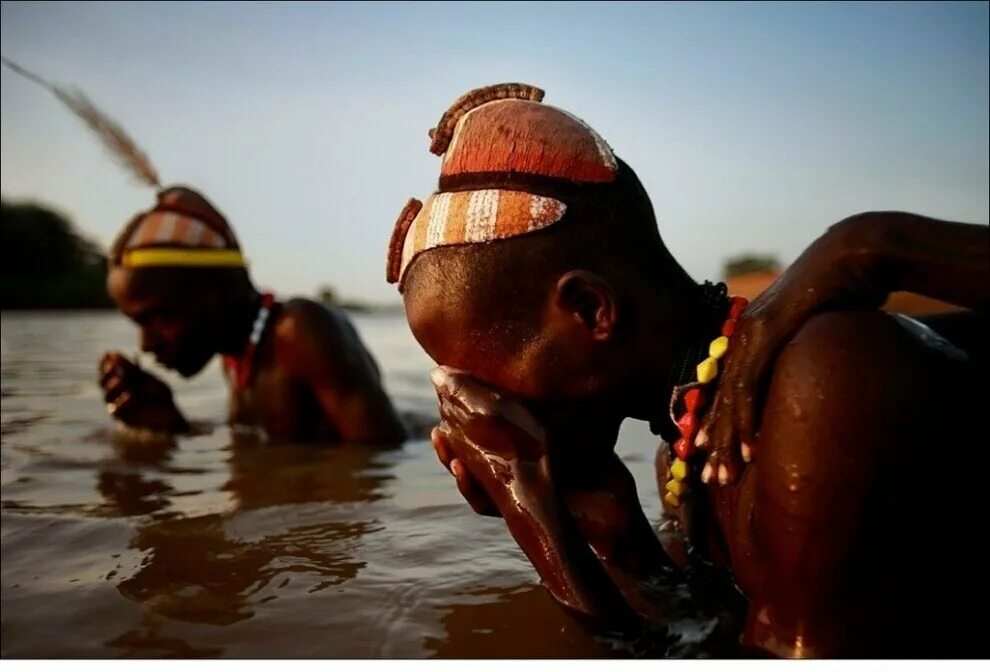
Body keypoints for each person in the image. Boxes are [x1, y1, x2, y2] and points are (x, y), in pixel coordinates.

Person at [388, 83, 989, 656]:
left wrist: (537, 524)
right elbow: (705, 638)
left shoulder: (818, 384)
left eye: (478, 379)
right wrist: (616, 536)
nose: (477, 409)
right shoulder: (679, 455)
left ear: (591, 310)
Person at [100, 186, 407, 443]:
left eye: (160, 318)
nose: (145, 344)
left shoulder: (299, 332)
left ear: (218, 291)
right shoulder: (237, 357)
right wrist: (171, 426)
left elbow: (382, 457)